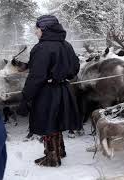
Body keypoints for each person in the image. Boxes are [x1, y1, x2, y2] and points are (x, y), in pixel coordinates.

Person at [17, 15, 81, 167]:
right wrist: (61, 76)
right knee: (57, 121)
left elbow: (36, 76)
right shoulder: (67, 45)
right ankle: (60, 150)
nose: (35, 32)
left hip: (47, 92)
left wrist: (26, 97)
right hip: (64, 89)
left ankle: (52, 158)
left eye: (37, 29)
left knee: (49, 123)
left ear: (45, 29)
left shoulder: (41, 48)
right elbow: (75, 68)